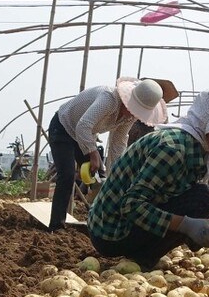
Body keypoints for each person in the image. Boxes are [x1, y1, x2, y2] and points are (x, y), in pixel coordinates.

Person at [86, 84, 209, 269]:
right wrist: (188, 226)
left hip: (119, 225)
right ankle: (142, 258)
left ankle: (142, 253)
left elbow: (175, 193)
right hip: (110, 232)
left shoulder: (198, 149)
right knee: (204, 197)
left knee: (207, 205)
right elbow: (132, 206)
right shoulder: (173, 148)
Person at [46, 77, 171, 232]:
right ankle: (56, 225)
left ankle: (99, 223)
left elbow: (118, 143)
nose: (135, 114)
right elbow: (83, 126)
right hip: (64, 127)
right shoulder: (108, 99)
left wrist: (116, 174)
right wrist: (93, 153)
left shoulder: (129, 116)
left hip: (84, 135)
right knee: (67, 174)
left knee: (100, 177)